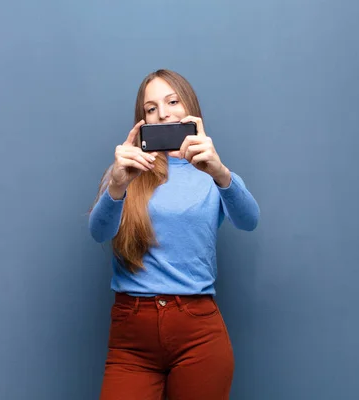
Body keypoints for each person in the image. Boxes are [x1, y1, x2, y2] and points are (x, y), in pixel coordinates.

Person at [88, 69, 260, 400]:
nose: (163, 113)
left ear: (190, 107)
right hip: (132, 336)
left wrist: (221, 172)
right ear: (142, 120)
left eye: (172, 101)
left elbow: (249, 220)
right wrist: (117, 184)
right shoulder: (128, 170)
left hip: (198, 331)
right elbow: (99, 232)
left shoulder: (210, 172)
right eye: (151, 108)